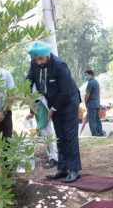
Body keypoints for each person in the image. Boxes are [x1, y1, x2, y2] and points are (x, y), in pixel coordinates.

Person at [26, 41, 82, 183]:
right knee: (60, 136)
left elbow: (65, 92)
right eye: (36, 59)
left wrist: (52, 109)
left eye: (41, 59)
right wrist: (28, 96)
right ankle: (62, 169)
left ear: (47, 55)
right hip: (53, 101)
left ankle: (74, 170)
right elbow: (29, 80)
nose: (39, 62)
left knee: (70, 136)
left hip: (69, 102)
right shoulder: (34, 63)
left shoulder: (60, 65)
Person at [26, 95, 58, 169]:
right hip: (40, 103)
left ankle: (54, 158)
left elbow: (43, 122)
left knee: (47, 133)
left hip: (46, 103)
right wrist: (32, 113)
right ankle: (53, 156)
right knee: (46, 133)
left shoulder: (42, 100)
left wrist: (36, 130)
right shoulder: (35, 100)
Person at [84, 70, 104, 136]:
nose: (85, 77)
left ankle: (95, 134)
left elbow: (87, 95)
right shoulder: (96, 82)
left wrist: (85, 102)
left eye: (86, 75)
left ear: (91, 75)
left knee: (92, 120)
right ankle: (100, 132)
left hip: (91, 104)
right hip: (97, 103)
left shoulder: (90, 83)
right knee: (97, 119)